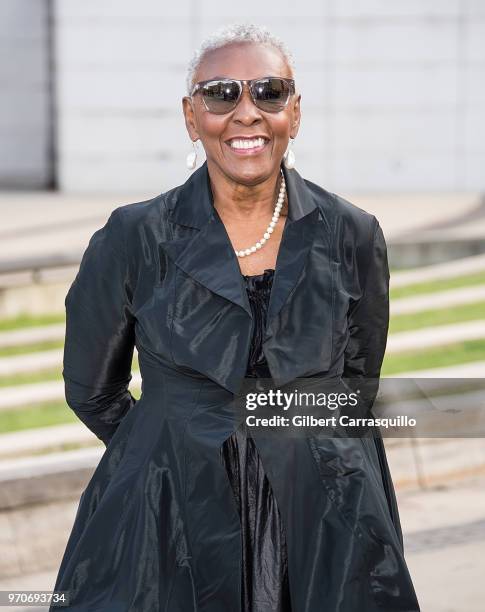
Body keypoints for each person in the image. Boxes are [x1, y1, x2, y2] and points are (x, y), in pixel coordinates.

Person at [50, 23, 420, 612]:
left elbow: (355, 381)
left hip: (325, 512)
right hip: (169, 516)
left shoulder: (351, 232)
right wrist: (172, 447)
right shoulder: (134, 236)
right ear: (191, 116)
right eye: (221, 94)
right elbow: (92, 389)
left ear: (293, 114)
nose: (246, 113)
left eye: (269, 92)